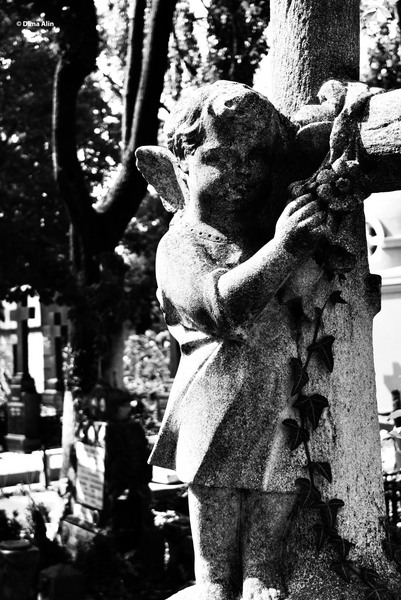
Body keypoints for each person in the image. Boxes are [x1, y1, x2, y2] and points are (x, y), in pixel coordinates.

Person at [136, 81, 332, 600]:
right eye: (221, 157)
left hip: (281, 385)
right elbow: (220, 308)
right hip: (211, 393)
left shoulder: (262, 233)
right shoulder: (180, 244)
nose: (241, 172)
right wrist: (284, 248)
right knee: (215, 485)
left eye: (255, 158)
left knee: (278, 477)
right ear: (180, 168)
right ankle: (216, 578)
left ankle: (262, 571)